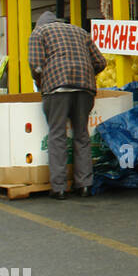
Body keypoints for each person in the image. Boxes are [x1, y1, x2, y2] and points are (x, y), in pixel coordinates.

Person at [27, 12, 107, 200]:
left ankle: (59, 187)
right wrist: (85, 74)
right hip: (85, 88)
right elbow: (100, 62)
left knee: (57, 135)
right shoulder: (79, 31)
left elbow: (36, 65)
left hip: (57, 89)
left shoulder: (39, 33)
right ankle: (85, 185)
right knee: (81, 135)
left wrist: (41, 83)